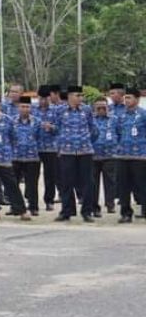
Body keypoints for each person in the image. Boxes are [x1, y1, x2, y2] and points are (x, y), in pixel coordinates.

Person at [51, 85, 98, 223]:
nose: (80, 98)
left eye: (81, 96)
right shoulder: (59, 110)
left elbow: (93, 129)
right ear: (70, 96)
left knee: (88, 182)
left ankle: (87, 211)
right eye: (78, 95)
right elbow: (56, 129)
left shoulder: (87, 109)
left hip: (85, 151)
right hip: (67, 151)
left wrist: (87, 141)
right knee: (66, 182)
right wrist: (52, 130)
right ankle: (67, 211)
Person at [114, 88, 146, 223]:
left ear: (137, 99)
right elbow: (117, 133)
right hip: (123, 156)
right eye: (125, 98)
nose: (127, 100)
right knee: (123, 186)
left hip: (139, 156)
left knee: (142, 185)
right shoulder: (120, 116)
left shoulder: (143, 115)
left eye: (130, 98)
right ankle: (126, 213)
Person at [10, 95, 44, 215]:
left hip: (32, 157)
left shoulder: (37, 122)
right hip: (15, 156)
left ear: (31, 108)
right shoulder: (11, 121)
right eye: (22, 106)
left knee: (32, 184)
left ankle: (33, 207)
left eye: (27, 107)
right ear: (18, 108)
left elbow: (41, 138)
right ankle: (15, 207)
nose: (25, 109)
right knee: (13, 184)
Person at [91, 96, 118, 215]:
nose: (101, 109)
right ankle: (95, 207)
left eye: (104, 107)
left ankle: (110, 204)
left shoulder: (114, 119)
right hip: (93, 155)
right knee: (93, 183)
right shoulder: (90, 120)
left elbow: (120, 133)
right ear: (94, 108)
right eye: (99, 107)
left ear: (108, 107)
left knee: (110, 182)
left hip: (110, 155)